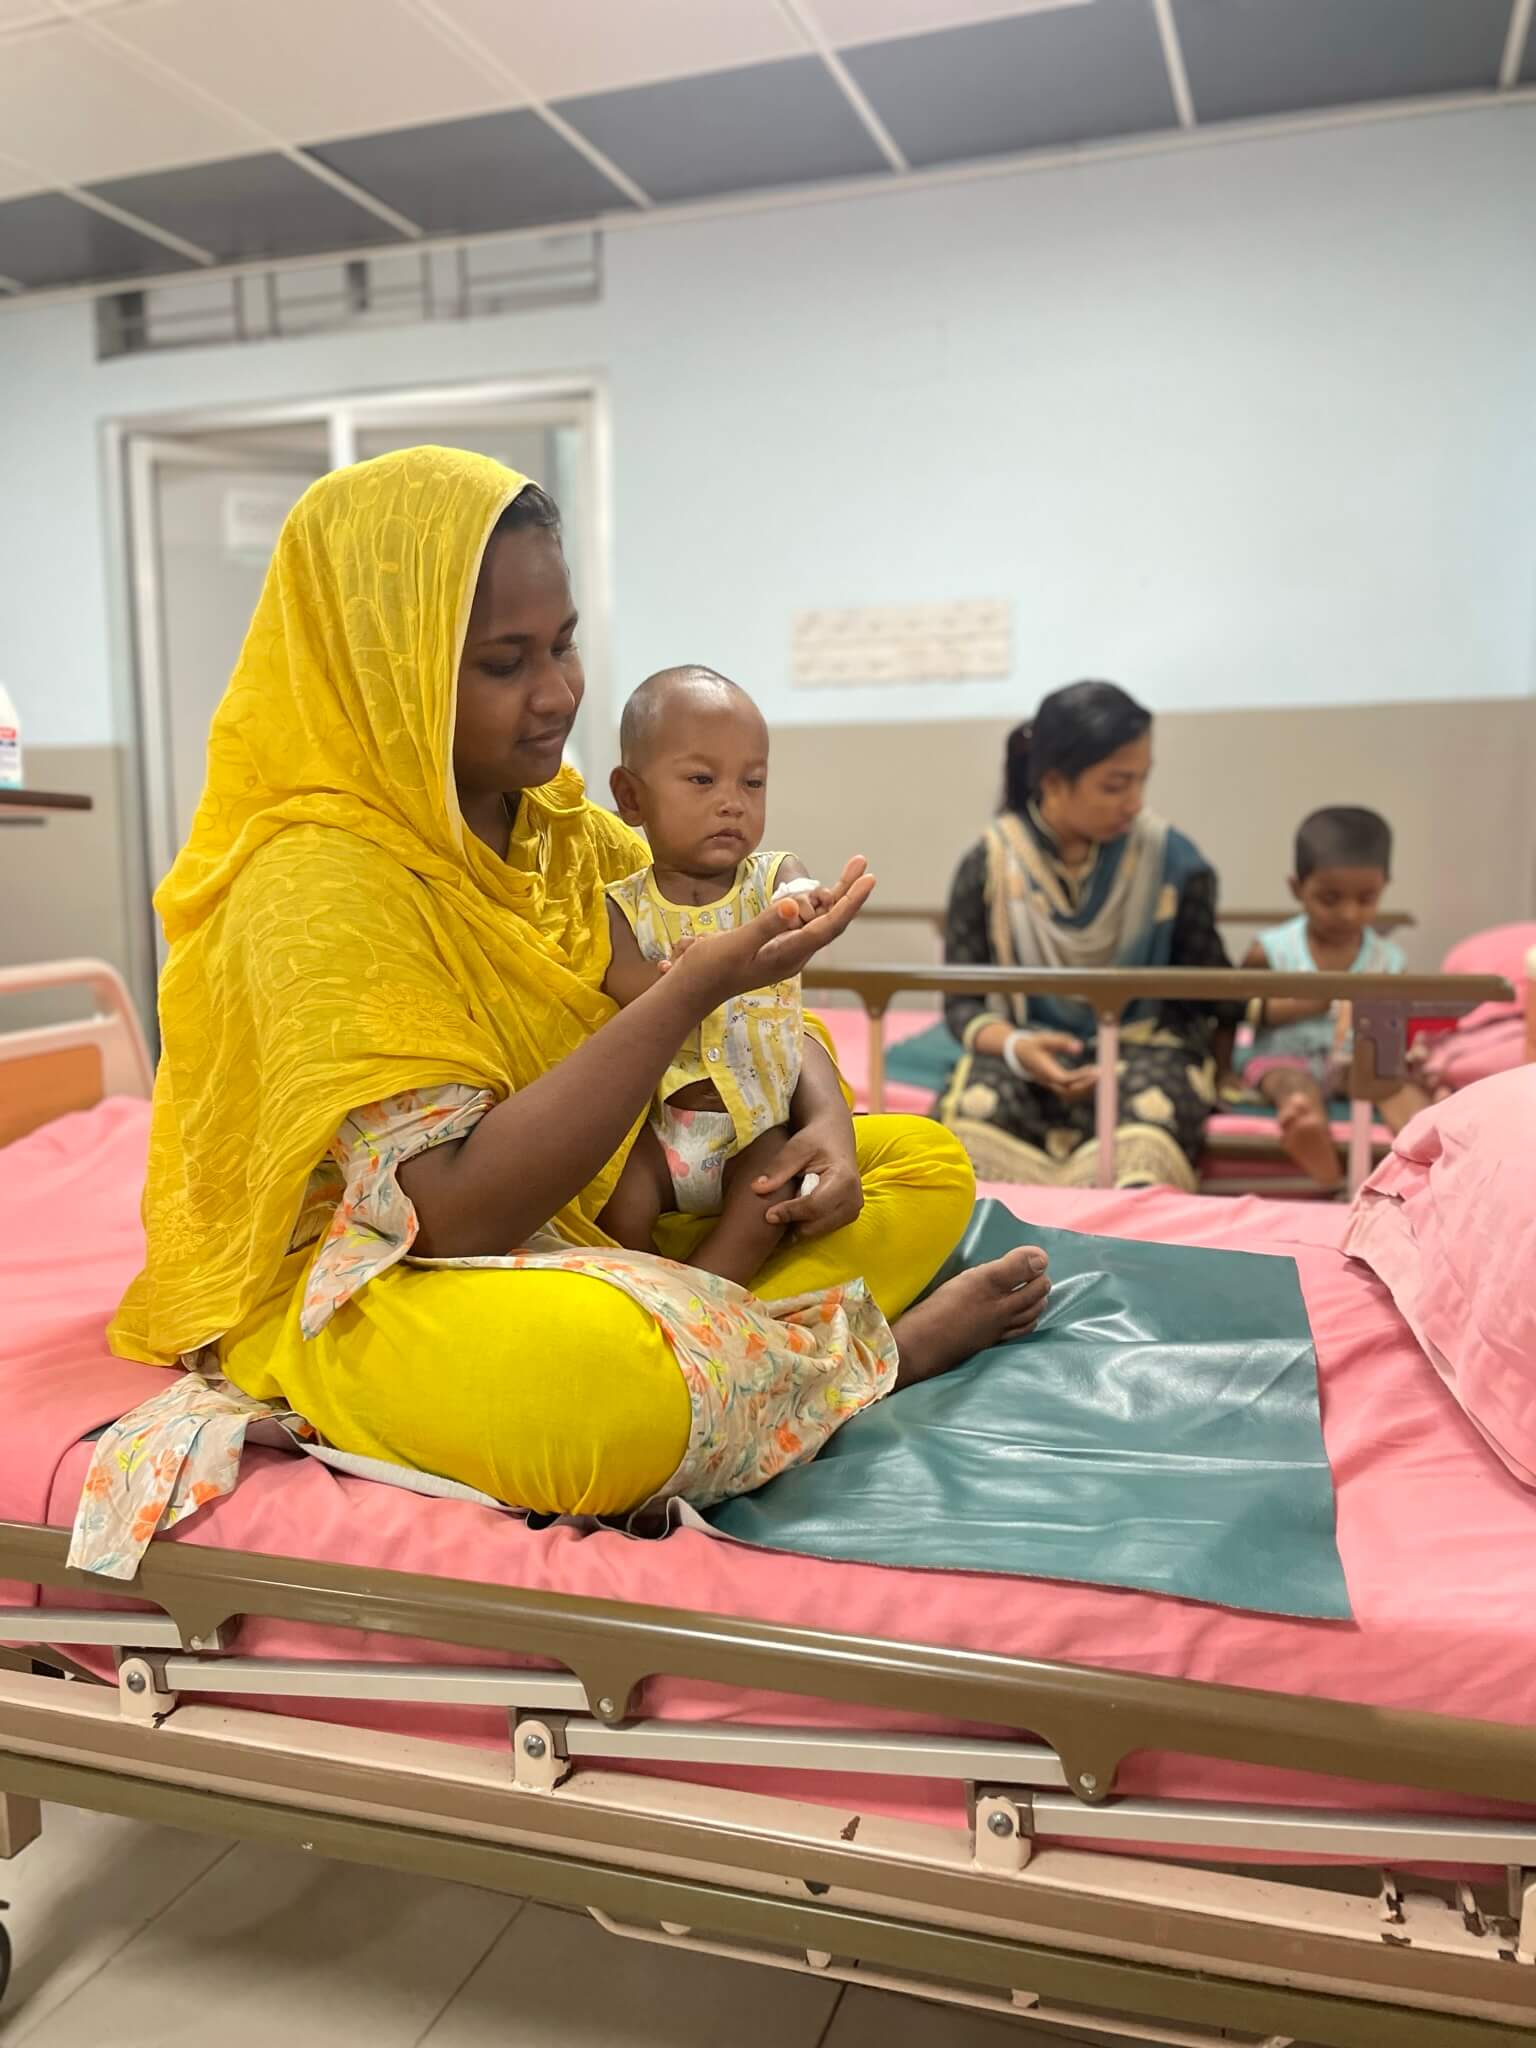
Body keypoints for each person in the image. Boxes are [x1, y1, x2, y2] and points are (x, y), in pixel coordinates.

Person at [100, 447, 1052, 1556]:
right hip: (390, 1272)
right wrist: (691, 987)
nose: (558, 693)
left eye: (563, 644)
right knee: (607, 1385)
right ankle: (864, 1352)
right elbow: (452, 1214)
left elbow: (748, 1014)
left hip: (595, 1218)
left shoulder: (553, 824)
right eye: (506, 661)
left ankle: (713, 1321)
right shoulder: (319, 880)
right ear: (387, 669)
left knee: (919, 1163)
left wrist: (827, 1125)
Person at [939, 679, 1239, 1191]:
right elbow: (961, 1004)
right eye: (1115, 785)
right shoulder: (990, 864)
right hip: (1027, 1054)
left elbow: (1207, 989)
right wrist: (1016, 1047)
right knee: (966, 1130)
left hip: (1142, 1050)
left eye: (1142, 781)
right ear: (1054, 782)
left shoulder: (1172, 861)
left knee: (1147, 1135)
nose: (1134, 802)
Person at [600, 665, 835, 1285]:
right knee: (615, 1198)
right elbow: (623, 983)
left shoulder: (769, 877)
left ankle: (709, 1292)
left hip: (753, 1127)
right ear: (631, 798)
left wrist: (808, 902)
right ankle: (648, 1291)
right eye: (702, 780)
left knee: (769, 1193)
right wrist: (683, 980)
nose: (732, 800)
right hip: (660, 1133)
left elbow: (798, 897)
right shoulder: (620, 904)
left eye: (752, 782)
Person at [1239, 806, 1423, 1189]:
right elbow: (1250, 1012)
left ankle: (1424, 1147)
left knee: (1390, 1081)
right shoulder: (1270, 950)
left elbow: (1399, 1027)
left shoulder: (1389, 960)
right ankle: (1308, 1133)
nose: (1348, 913)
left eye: (1366, 898)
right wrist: (1325, 995)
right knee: (1290, 1084)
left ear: (1385, 886)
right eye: (1330, 898)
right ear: (1296, 888)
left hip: (1358, 1061)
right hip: (1285, 1055)